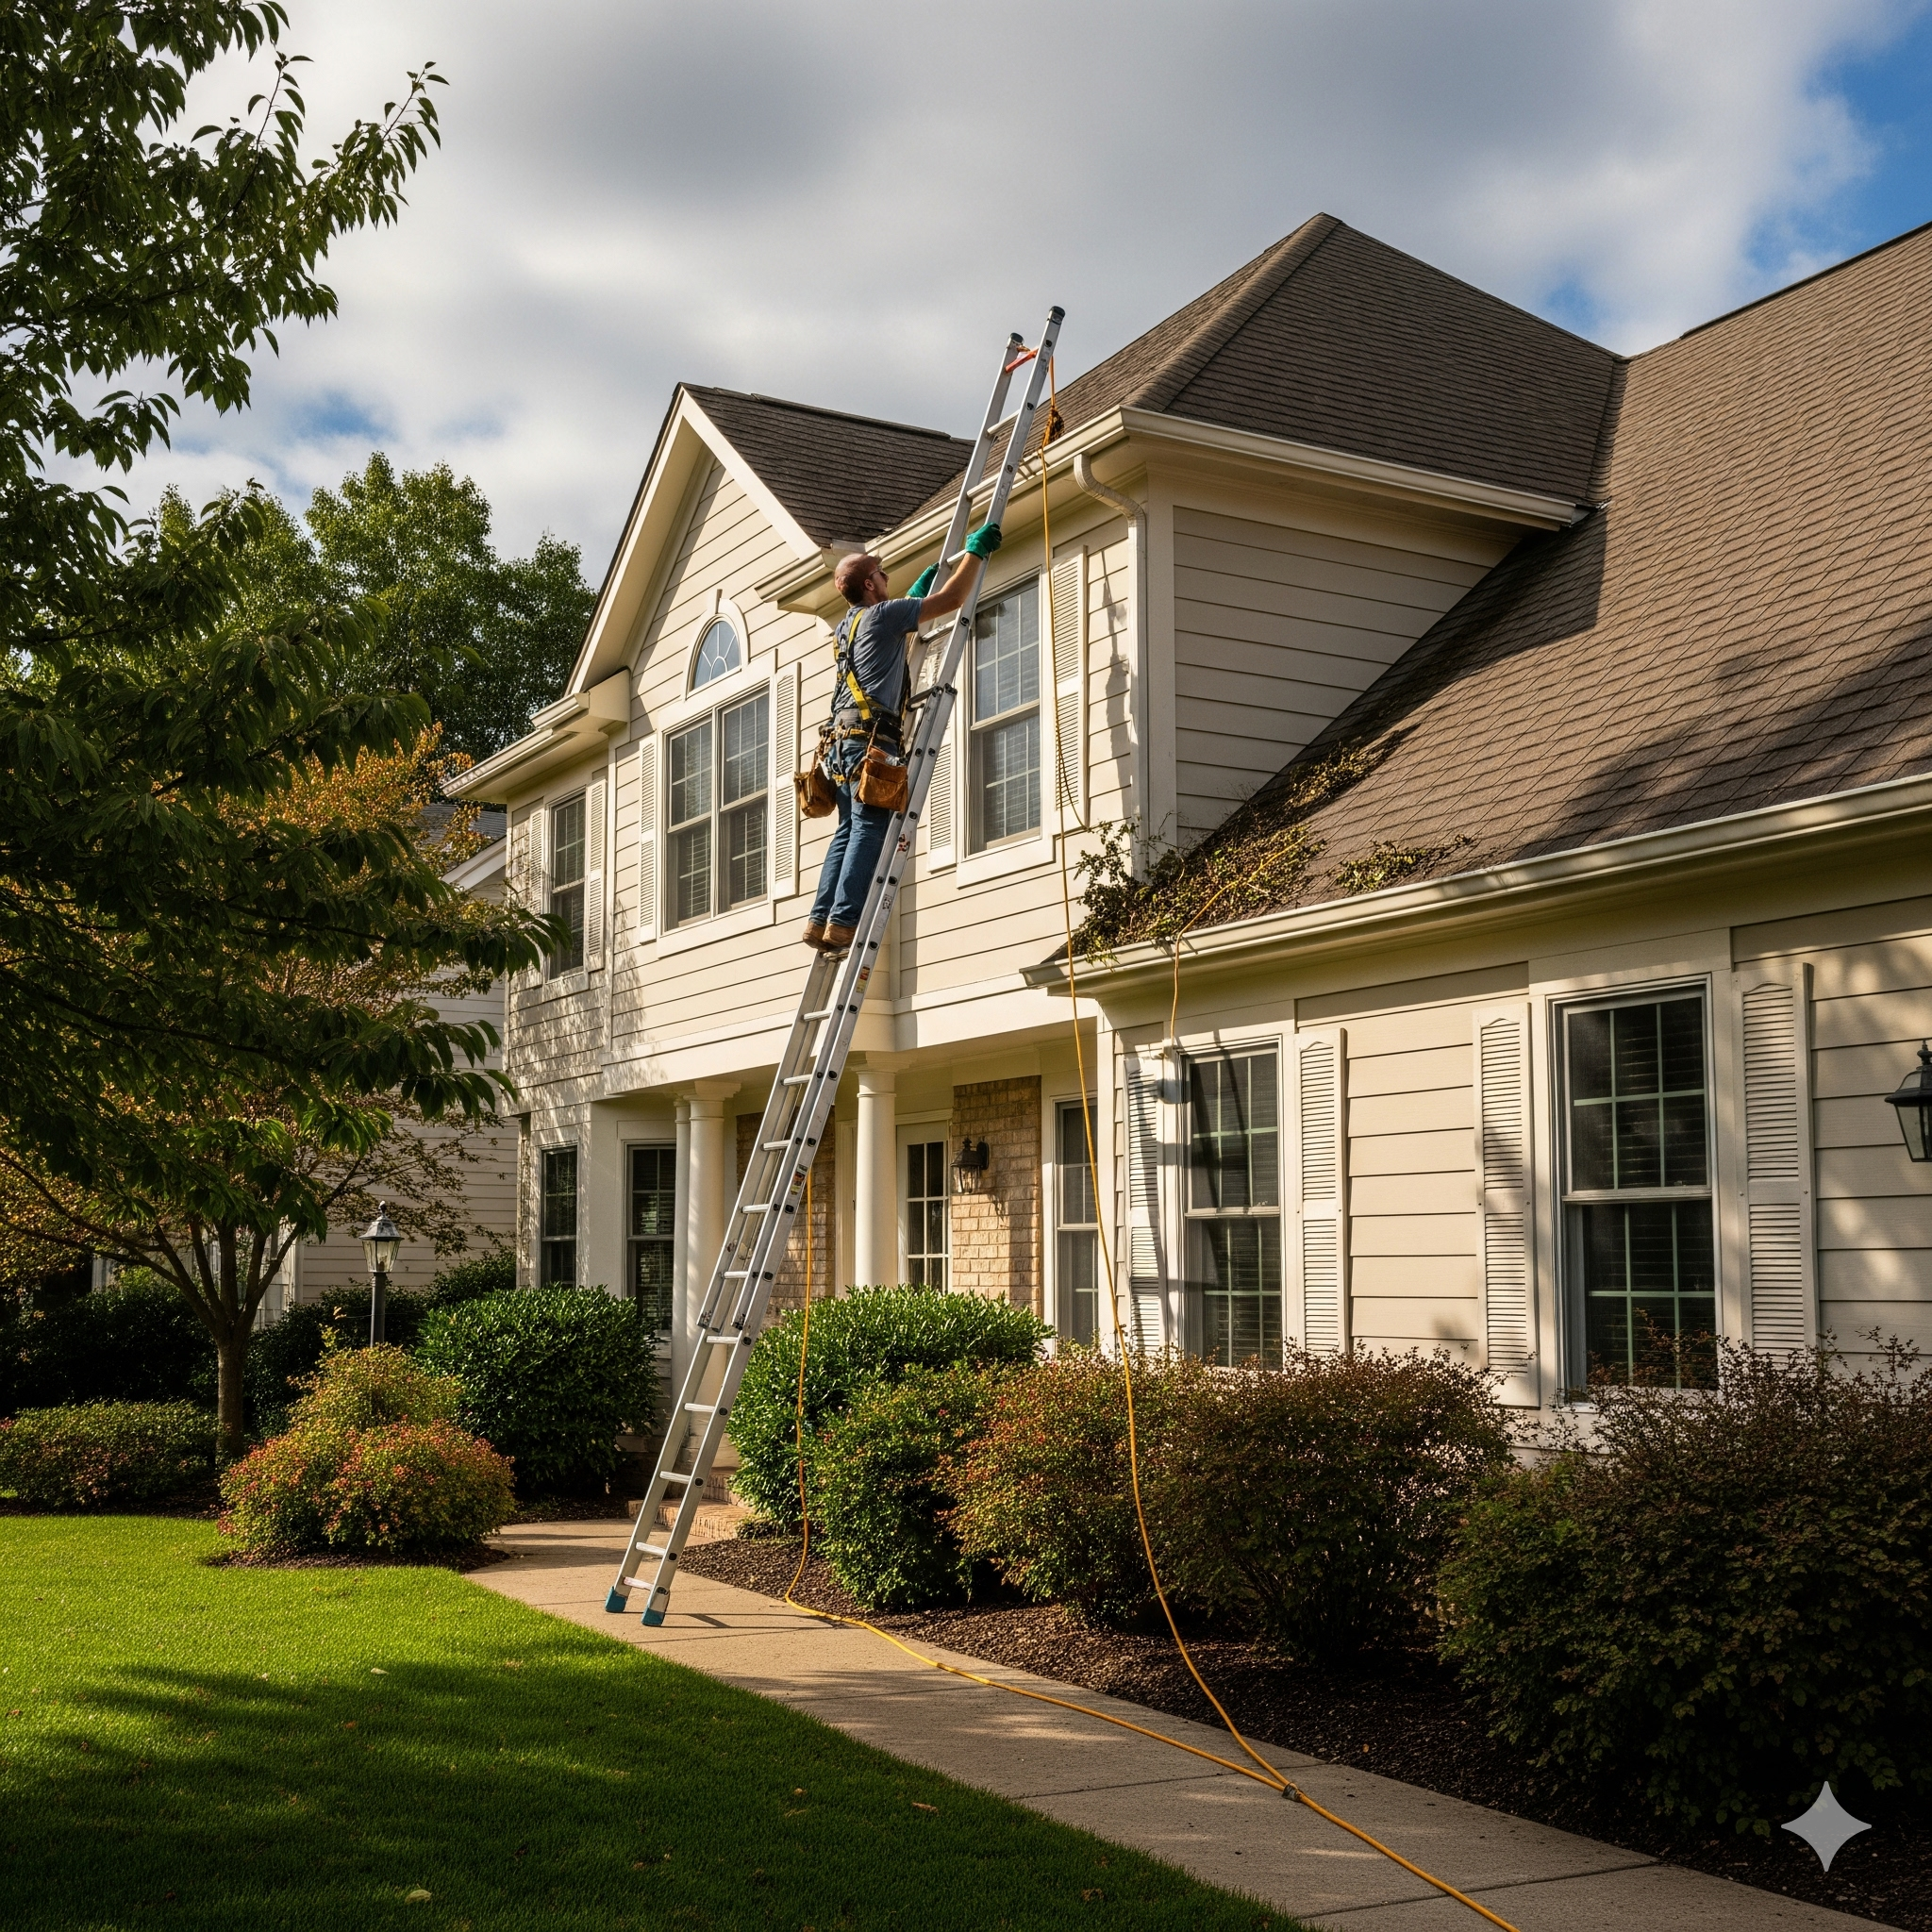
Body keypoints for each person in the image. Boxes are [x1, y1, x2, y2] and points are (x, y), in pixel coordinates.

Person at [803, 524, 1002, 951]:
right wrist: (975, 553)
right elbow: (951, 600)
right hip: (869, 742)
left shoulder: (848, 626)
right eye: (881, 573)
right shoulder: (884, 615)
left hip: (838, 745)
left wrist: (911, 594)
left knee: (846, 831)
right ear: (870, 584)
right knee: (869, 830)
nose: (887, 578)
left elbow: (890, 619)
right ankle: (843, 920)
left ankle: (820, 920)